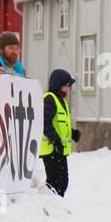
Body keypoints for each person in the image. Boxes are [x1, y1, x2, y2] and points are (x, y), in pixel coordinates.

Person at [40, 68, 79, 196]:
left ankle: (56, 209)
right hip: (51, 150)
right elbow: (45, 123)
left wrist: (72, 133)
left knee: (62, 182)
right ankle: (49, 207)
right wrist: (55, 140)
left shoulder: (62, 101)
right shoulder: (49, 99)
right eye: (65, 86)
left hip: (59, 150)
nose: (67, 89)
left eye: (68, 86)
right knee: (55, 184)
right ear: (57, 85)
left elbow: (60, 124)